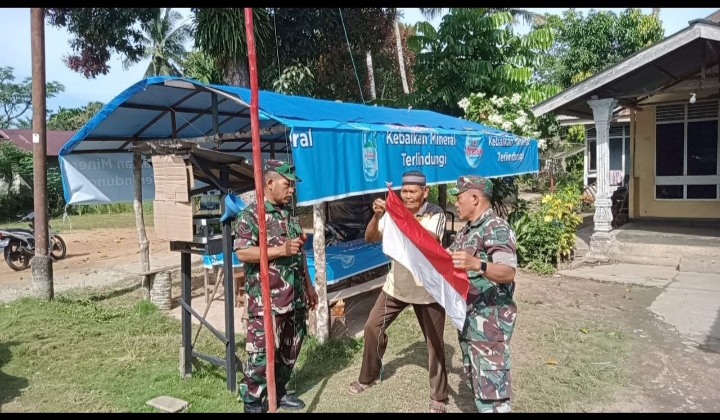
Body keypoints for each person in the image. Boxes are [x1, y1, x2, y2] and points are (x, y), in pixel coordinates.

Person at [348, 170, 449, 413]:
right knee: (372, 327)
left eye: (412, 191)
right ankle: (368, 377)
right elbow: (370, 237)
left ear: (425, 192)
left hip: (428, 290)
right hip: (396, 286)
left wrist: (400, 214)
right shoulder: (392, 212)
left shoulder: (436, 214)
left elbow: (430, 240)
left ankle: (439, 396)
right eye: (403, 191)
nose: (407, 196)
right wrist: (377, 215)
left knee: (434, 343)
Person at [235, 159, 319, 413]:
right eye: (288, 184)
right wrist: (279, 250)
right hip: (267, 300)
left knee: (290, 347)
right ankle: (252, 400)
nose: (292, 189)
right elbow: (243, 253)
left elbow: (300, 252)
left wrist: (309, 285)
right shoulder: (251, 215)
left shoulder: (288, 215)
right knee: (262, 353)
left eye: (293, 185)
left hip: (294, 296)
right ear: (270, 183)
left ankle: (279, 391)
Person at [446, 175, 518, 413]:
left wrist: (478, 264)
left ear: (475, 198)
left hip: (489, 321)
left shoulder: (496, 228)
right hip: (469, 320)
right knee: (476, 383)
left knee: (492, 396)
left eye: (459, 197)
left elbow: (508, 272)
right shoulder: (467, 231)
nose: (455, 203)